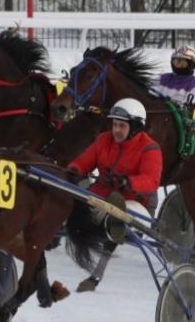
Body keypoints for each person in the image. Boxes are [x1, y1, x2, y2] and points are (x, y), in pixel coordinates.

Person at [66, 98, 163, 292]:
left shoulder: (150, 148)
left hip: (137, 202)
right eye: (114, 125)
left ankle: (97, 272)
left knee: (116, 213)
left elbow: (151, 181)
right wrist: (74, 170)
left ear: (135, 127)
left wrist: (129, 182)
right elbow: (84, 161)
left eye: (122, 126)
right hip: (101, 196)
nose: (116, 130)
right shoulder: (104, 139)